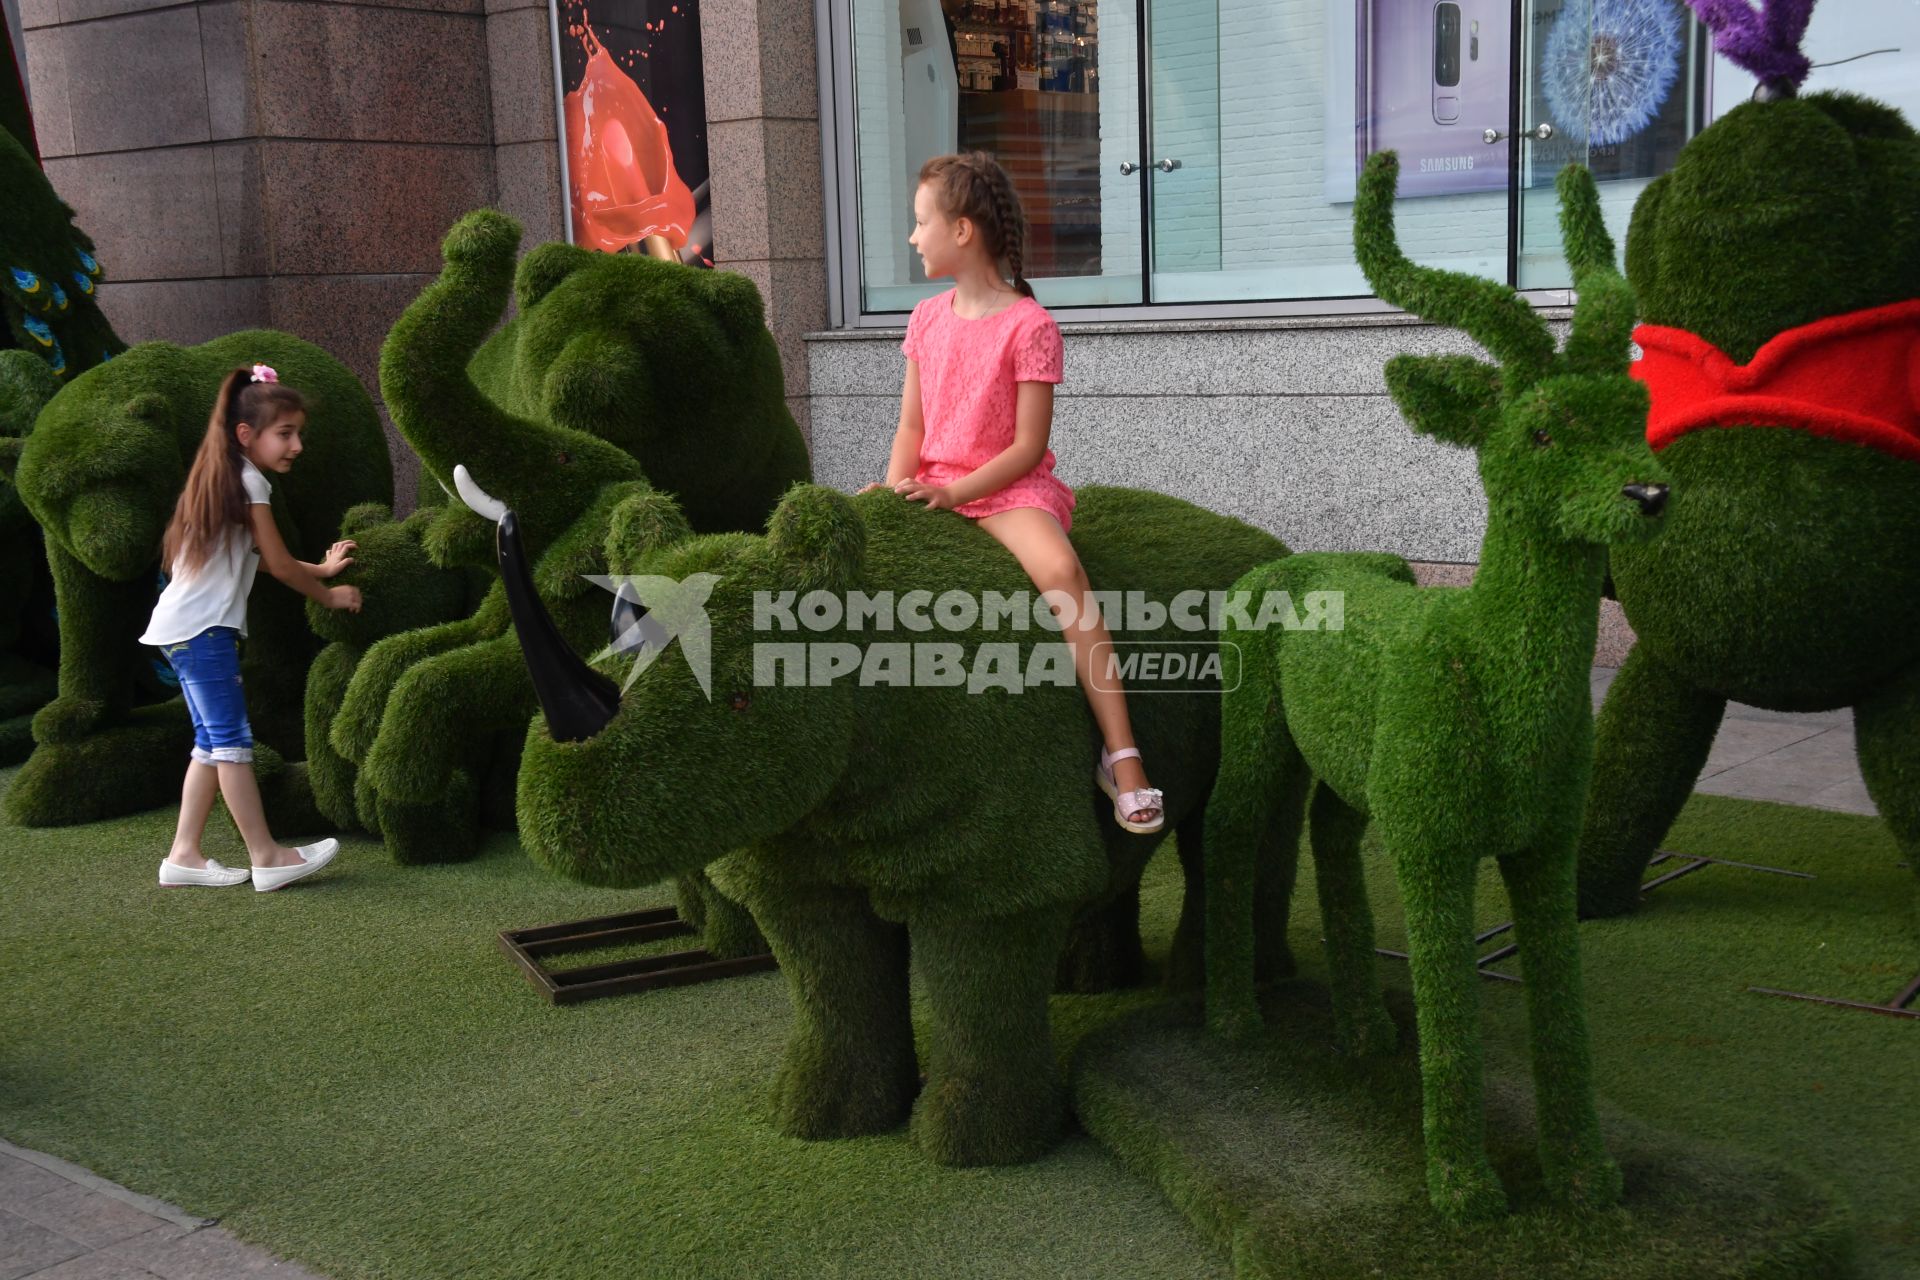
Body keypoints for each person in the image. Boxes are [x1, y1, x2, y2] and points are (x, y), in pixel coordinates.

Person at [863, 150, 1163, 833]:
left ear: (962, 231)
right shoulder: (925, 319)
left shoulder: (1030, 325)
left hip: (1005, 489)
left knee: (1062, 571)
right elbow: (911, 423)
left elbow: (1026, 447)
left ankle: (1122, 756)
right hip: (934, 482)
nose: (913, 237)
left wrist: (956, 493)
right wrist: (894, 487)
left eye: (920, 222)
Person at [140, 363, 363, 890]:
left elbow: (254, 559)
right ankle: (266, 857)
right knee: (233, 745)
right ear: (247, 434)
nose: (297, 445)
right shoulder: (247, 481)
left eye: (298, 433)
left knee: (209, 744)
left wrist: (320, 568)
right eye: (285, 433)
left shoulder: (222, 477)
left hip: (182, 632)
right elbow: (279, 564)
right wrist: (329, 593)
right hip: (203, 633)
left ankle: (184, 856)